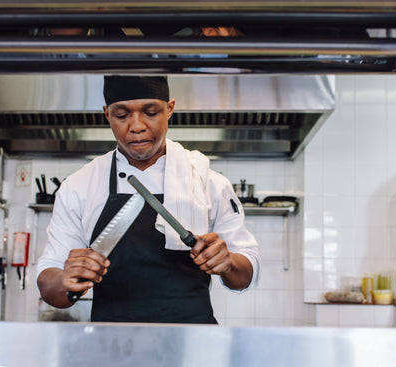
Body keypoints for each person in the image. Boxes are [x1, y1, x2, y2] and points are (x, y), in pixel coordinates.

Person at [36, 75, 260, 324]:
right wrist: (64, 279)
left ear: (170, 109)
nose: (137, 126)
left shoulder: (209, 182)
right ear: (106, 114)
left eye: (151, 112)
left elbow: (246, 273)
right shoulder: (79, 186)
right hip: (111, 348)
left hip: (193, 346)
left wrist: (228, 262)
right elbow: (49, 281)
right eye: (122, 115)